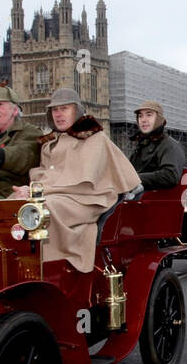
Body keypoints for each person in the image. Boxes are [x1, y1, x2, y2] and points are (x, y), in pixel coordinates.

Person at [10, 87, 141, 273]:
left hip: (87, 199)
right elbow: (46, 174)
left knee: (45, 210)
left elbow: (81, 181)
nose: (58, 114)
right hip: (56, 195)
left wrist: (36, 191)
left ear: (77, 111)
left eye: (64, 108)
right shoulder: (50, 142)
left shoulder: (94, 137)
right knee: (11, 205)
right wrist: (30, 190)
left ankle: (50, 271)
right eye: (55, 110)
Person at [128, 99, 185, 190]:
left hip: (157, 200)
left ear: (158, 119)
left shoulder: (170, 145)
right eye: (140, 116)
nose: (143, 120)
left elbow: (170, 176)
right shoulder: (140, 146)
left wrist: (136, 179)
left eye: (149, 115)